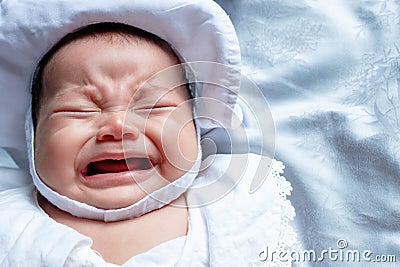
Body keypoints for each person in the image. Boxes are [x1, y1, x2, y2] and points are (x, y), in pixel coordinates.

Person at [0, 1, 297, 266]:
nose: (117, 126)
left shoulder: (236, 196)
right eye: (79, 110)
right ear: (32, 136)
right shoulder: (9, 224)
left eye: (153, 107)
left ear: (195, 125)